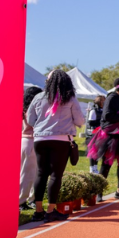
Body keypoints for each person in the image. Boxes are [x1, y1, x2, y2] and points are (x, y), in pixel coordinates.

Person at [26, 70, 85, 222]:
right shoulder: (70, 98)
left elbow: (30, 119)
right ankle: (51, 210)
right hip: (61, 139)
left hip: (40, 138)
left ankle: (38, 211)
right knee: (55, 175)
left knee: (40, 173)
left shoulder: (38, 97)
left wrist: (42, 126)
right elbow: (80, 120)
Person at [20, 86, 43, 211]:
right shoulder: (32, 109)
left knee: (29, 172)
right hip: (31, 139)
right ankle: (23, 200)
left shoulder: (24, 107)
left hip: (25, 140)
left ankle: (29, 198)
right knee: (29, 173)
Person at [86, 95, 104, 174]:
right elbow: (90, 122)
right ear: (100, 102)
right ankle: (91, 168)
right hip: (92, 134)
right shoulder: (94, 110)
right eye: (104, 100)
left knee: (97, 151)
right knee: (92, 151)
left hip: (100, 133)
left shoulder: (103, 110)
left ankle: (95, 168)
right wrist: (101, 122)